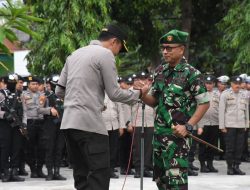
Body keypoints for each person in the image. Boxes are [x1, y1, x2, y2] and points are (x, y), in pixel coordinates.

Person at [55, 23, 142, 190]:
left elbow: (59, 91)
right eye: (119, 49)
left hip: (69, 124)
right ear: (114, 42)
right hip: (90, 126)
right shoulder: (105, 54)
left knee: (81, 176)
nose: (117, 54)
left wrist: (81, 100)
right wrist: (138, 94)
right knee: (99, 175)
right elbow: (115, 94)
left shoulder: (74, 54)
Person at [134, 29, 209, 190]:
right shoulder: (160, 71)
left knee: (177, 183)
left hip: (177, 138)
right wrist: (142, 93)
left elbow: (204, 104)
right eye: (163, 48)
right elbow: (154, 101)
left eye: (169, 48)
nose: (165, 51)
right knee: (161, 182)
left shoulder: (192, 74)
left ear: (181, 49)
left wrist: (188, 126)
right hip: (159, 136)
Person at [219, 76, 249, 175]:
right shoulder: (225, 94)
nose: (237, 85)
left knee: (239, 147)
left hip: (241, 125)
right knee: (230, 147)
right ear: (231, 84)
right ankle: (229, 167)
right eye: (235, 83)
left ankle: (237, 166)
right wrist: (222, 126)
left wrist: (246, 124)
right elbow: (221, 111)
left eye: (239, 84)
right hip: (229, 125)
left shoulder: (244, 94)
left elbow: (246, 111)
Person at [197, 75, 219, 173]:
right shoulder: (200, 94)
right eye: (207, 83)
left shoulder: (217, 95)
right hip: (203, 124)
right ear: (204, 84)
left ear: (213, 84)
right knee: (202, 146)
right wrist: (199, 126)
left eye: (210, 84)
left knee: (212, 145)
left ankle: (210, 165)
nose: (208, 85)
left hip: (214, 123)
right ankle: (203, 165)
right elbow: (197, 111)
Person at [102, 93, 125, 178]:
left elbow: (120, 111)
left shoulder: (114, 94)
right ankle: (103, 171)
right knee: (103, 150)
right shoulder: (98, 92)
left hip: (114, 125)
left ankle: (111, 170)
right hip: (102, 126)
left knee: (113, 150)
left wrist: (121, 126)